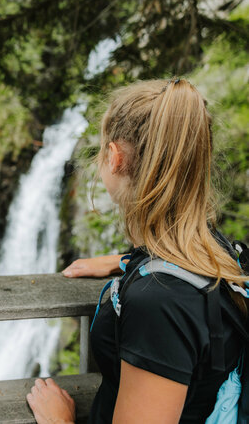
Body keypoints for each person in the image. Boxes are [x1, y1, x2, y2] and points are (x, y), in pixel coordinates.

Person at [27, 79, 247, 424]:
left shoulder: (157, 303)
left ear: (114, 158)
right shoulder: (215, 247)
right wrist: (126, 262)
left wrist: (60, 421)